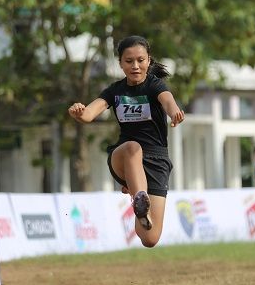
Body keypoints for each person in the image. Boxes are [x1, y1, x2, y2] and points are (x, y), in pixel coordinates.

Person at [67, 35, 184, 247]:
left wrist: (174, 112)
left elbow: (168, 101)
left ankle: (141, 214)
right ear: (120, 63)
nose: (135, 66)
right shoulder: (115, 91)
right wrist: (79, 112)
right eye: (129, 61)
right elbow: (89, 114)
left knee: (150, 238)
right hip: (124, 158)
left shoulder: (155, 86)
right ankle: (139, 196)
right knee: (133, 147)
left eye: (140, 60)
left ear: (149, 60)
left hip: (156, 160)